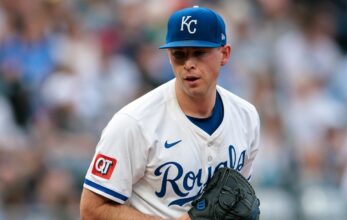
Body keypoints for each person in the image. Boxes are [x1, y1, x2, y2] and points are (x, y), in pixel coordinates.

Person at [80, 6, 261, 220]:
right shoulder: (133, 123)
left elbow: (239, 199)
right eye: (179, 54)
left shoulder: (246, 116)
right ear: (169, 56)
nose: (189, 64)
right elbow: (91, 210)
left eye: (199, 53)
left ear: (224, 53)